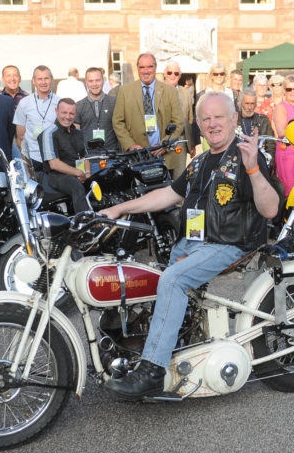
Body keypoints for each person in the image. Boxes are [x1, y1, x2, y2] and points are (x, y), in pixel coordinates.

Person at [101, 92, 279, 400]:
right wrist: (120, 209)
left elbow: (271, 209)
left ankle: (153, 371)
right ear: (198, 124)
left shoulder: (247, 156)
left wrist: (252, 169)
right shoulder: (199, 163)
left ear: (234, 119)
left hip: (230, 243)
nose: (212, 124)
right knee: (145, 274)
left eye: (219, 117)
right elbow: (167, 195)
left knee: (173, 279)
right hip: (197, 242)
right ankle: (152, 341)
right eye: (206, 119)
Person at [112, 53, 184, 177]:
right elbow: (117, 121)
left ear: (155, 68)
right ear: (137, 69)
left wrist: (164, 145)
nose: (146, 71)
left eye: (149, 67)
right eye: (142, 67)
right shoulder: (125, 91)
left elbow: (178, 123)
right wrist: (130, 145)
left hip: (163, 155)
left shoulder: (170, 92)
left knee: (165, 194)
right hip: (135, 157)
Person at [38, 98, 91, 213]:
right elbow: (54, 164)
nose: (68, 116)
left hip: (78, 173)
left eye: (71, 113)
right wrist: (78, 173)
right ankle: (85, 223)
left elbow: (84, 157)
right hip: (57, 176)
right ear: (56, 111)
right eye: (64, 113)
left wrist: (87, 173)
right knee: (75, 186)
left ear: (75, 114)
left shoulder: (78, 132)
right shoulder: (48, 133)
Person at [13, 65, 61, 174]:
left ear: (51, 80)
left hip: (55, 157)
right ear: (33, 81)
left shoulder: (60, 102)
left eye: (46, 78)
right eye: (39, 79)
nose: (43, 82)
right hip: (33, 158)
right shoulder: (25, 103)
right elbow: (20, 137)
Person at [75, 66, 118, 155]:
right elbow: (76, 135)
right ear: (86, 83)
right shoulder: (78, 106)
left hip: (111, 155)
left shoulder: (114, 102)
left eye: (97, 80)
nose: (94, 84)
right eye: (91, 81)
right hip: (89, 157)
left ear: (103, 81)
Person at [163, 60, 196, 174]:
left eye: (176, 73)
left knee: (179, 178)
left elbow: (190, 119)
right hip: (161, 142)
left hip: (181, 140)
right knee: (163, 178)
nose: (173, 75)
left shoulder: (185, 92)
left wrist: (192, 143)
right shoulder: (156, 91)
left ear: (180, 76)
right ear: (164, 74)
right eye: (169, 72)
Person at [238, 88, 276, 163]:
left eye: (252, 104)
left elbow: (270, 146)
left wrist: (268, 162)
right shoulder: (233, 120)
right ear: (241, 103)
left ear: (255, 104)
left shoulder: (263, 120)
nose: (249, 107)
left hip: (258, 162)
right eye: (247, 103)